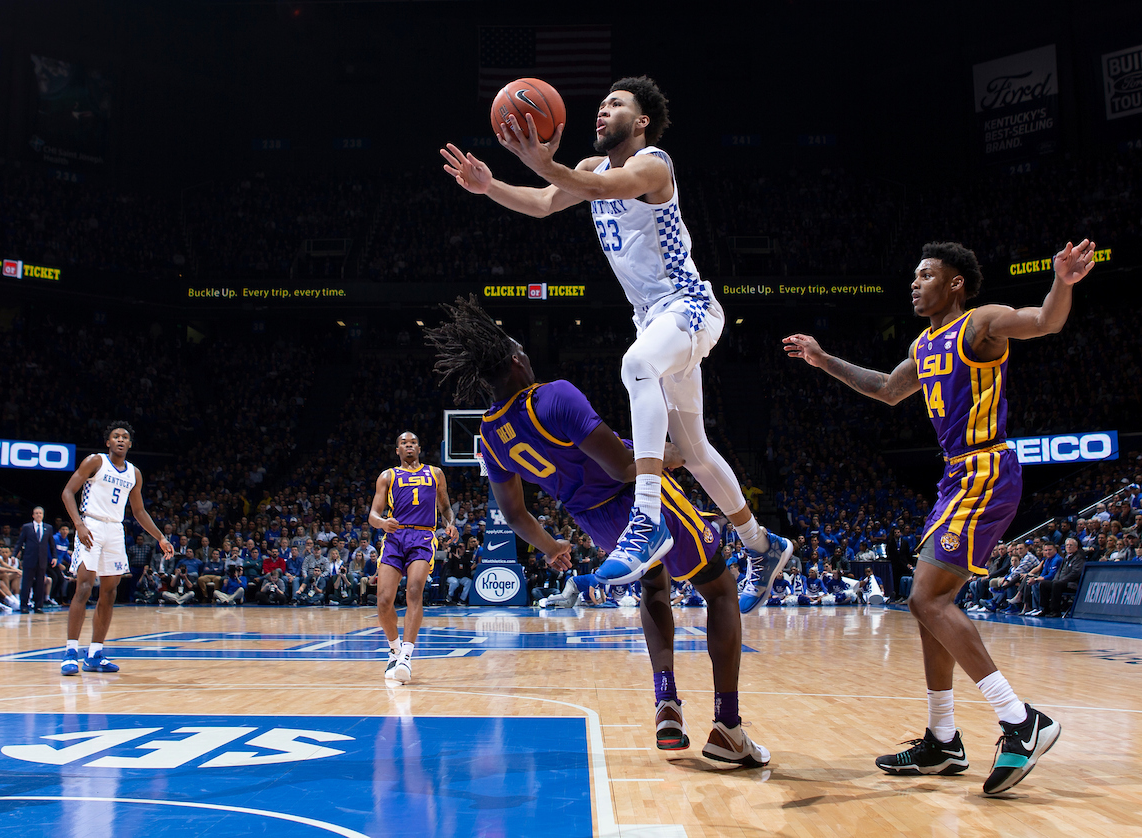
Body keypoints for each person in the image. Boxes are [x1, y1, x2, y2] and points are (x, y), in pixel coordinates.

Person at [440, 77, 791, 604]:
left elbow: (603, 190)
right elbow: (542, 203)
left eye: (616, 105)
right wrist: (489, 186)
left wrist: (542, 163)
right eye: (600, 105)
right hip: (652, 320)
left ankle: (646, 517)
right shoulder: (585, 169)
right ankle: (761, 544)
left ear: (642, 119)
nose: (602, 112)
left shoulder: (654, 164)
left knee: (636, 367)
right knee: (694, 452)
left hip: (688, 306)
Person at [784, 238, 1096, 795]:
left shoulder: (982, 323)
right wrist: (822, 358)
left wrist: (1062, 283)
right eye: (914, 274)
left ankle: (1020, 721)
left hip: (985, 468)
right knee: (925, 604)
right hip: (955, 477)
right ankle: (943, 738)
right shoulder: (925, 343)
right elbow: (883, 389)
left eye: (925, 274)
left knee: (929, 599)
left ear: (954, 283)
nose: (914, 282)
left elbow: (1045, 322)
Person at [425, 296, 770, 765]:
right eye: (523, 351)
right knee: (722, 590)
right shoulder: (553, 395)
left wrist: (552, 546)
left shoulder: (488, 435)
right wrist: (676, 455)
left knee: (653, 586)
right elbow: (626, 465)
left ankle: (666, 703)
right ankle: (728, 727)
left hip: (594, 520)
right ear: (515, 361)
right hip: (637, 500)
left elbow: (514, 514)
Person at [60, 421, 173, 675]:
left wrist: (160, 538)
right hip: (90, 524)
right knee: (85, 587)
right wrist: (78, 524)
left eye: (125, 437)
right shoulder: (95, 461)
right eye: (115, 436)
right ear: (108, 442)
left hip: (115, 530)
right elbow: (68, 492)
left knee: (109, 593)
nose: (120, 440)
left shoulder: (134, 473)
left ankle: (95, 653)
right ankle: (70, 653)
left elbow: (139, 511)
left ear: (130, 444)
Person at [369, 431, 459, 684]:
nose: (408, 446)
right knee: (384, 600)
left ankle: (406, 656)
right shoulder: (387, 476)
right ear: (397, 450)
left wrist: (450, 524)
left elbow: (445, 508)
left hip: (422, 536)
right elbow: (373, 515)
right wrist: (382, 523)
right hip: (395, 537)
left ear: (419, 448)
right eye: (403, 443)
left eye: (413, 443)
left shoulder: (435, 473)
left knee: (414, 590)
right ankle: (394, 650)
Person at [14, 506, 58, 613]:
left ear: (43, 515)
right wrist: (14, 555)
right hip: (29, 559)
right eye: (36, 513)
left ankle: (38, 606)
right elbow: (20, 542)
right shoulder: (27, 527)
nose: (38, 515)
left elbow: (52, 544)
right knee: (26, 583)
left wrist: (55, 557)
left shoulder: (48, 528)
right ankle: (24, 605)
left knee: (40, 583)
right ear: (33, 515)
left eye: (40, 513)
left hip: (42, 560)